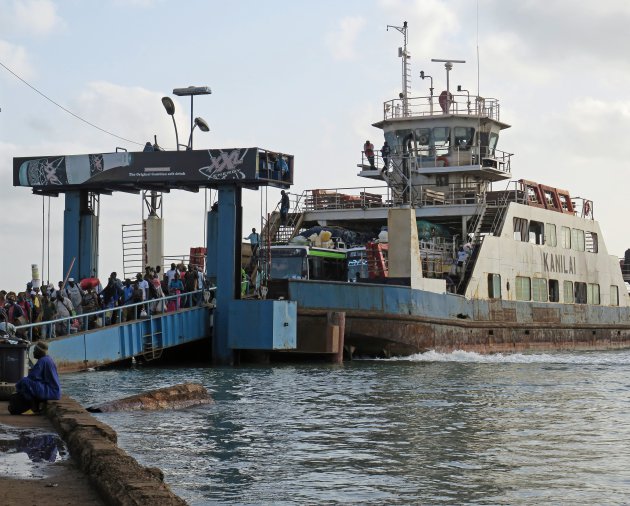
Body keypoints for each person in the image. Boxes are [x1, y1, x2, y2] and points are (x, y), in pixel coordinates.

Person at [9, 341, 61, 415]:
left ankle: (34, 408)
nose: (33, 352)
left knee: (24, 381)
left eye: (34, 350)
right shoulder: (48, 359)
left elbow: (32, 377)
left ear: (39, 352)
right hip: (54, 391)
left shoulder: (42, 361)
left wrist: (18, 387)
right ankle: (35, 406)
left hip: (51, 391)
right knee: (30, 385)